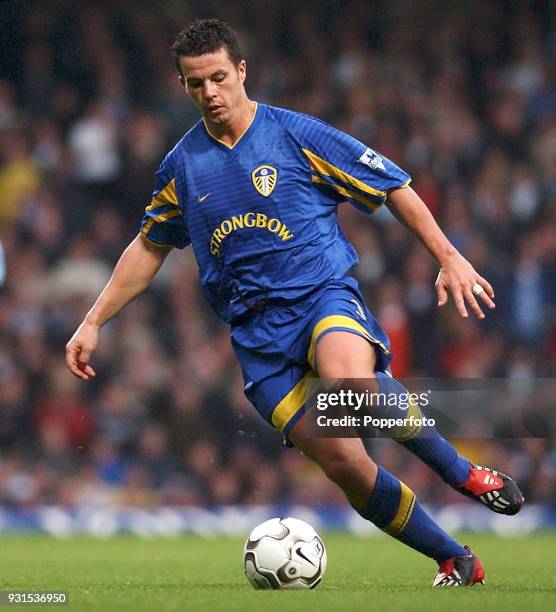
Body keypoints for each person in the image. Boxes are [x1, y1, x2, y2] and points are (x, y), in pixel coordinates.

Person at [66, 19, 524, 587]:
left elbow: (393, 185)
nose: (208, 93)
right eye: (193, 84)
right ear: (183, 87)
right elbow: (148, 246)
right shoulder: (182, 167)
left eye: (216, 78)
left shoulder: (295, 134)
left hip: (321, 298)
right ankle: (455, 557)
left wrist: (449, 257)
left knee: (350, 389)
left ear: (241, 71)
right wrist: (93, 321)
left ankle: (465, 475)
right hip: (257, 338)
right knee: (347, 465)